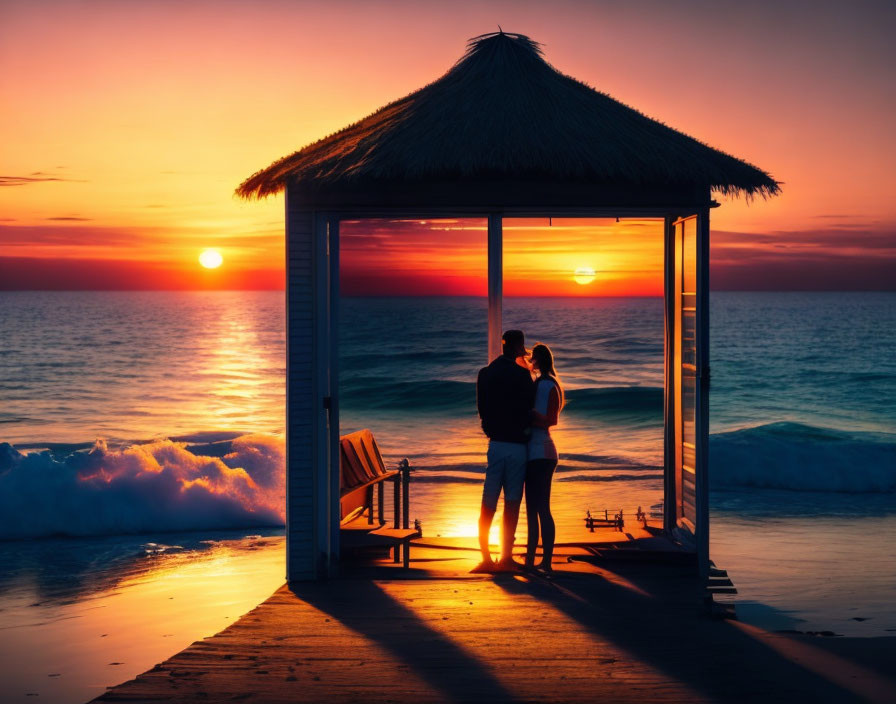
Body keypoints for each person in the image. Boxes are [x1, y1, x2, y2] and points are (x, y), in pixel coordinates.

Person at [473, 329, 535, 573]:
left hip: (495, 443)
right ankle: (506, 556)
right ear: (519, 347)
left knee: (488, 501)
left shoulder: (486, 373)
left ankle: (486, 557)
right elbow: (529, 408)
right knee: (512, 502)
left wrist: (490, 428)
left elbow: (482, 408)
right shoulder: (522, 375)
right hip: (517, 445)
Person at [524, 343, 564, 575]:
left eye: (532, 357)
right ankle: (533, 559)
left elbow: (551, 419)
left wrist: (529, 416)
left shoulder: (546, 384)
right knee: (533, 508)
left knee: (541, 508)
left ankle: (545, 561)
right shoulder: (544, 383)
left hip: (542, 452)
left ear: (538, 359)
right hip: (538, 452)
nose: (530, 360)